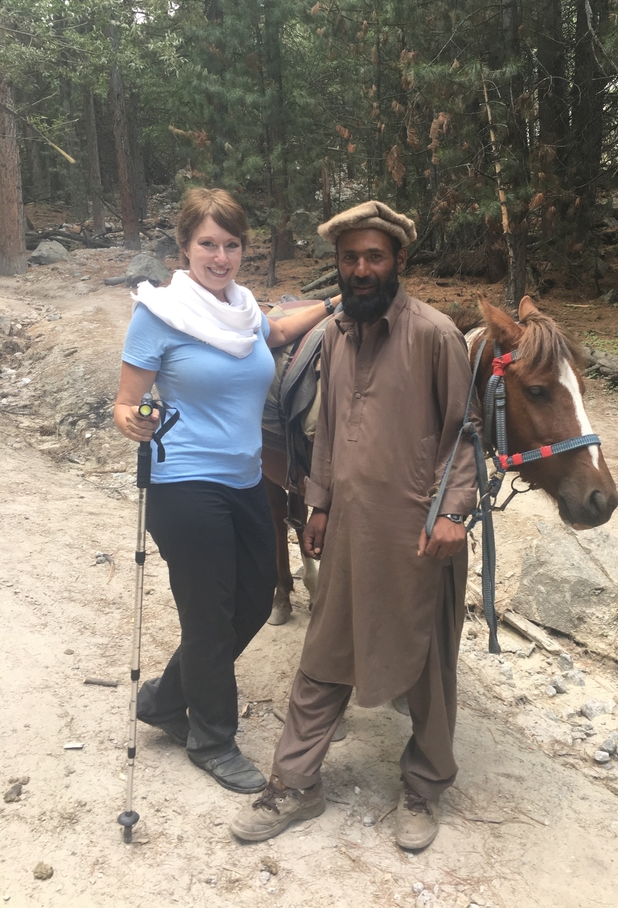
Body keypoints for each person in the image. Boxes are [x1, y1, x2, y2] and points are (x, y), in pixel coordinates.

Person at [230, 200, 478, 848]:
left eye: (374, 256)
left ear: (398, 260)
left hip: (421, 534)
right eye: (350, 258)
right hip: (346, 530)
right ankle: (295, 782)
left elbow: (465, 435)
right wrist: (317, 504)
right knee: (324, 654)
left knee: (427, 665)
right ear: (338, 265)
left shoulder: (435, 334)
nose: (361, 269)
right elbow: (332, 433)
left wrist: (454, 512)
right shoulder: (337, 334)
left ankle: (424, 786)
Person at [114, 188, 341, 793]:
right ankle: (212, 740)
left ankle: (166, 699)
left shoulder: (241, 311)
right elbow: (125, 400)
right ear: (186, 247)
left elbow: (275, 331)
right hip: (184, 484)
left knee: (254, 599)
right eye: (208, 244)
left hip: (244, 479)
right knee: (210, 614)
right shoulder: (159, 314)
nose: (220, 257)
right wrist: (133, 419)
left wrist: (333, 302)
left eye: (231, 245)